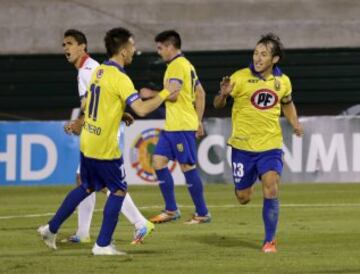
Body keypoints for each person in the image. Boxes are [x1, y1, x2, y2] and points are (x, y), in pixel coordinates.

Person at [38, 27, 179, 255]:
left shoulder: (99, 71)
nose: (134, 50)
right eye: (132, 46)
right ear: (123, 51)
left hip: (88, 141)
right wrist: (165, 93)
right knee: (118, 190)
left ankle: (51, 229)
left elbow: (93, 103)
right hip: (104, 146)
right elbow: (142, 109)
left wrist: (118, 113)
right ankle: (103, 244)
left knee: (87, 186)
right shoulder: (121, 78)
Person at [62, 29, 155, 245]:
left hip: (103, 133)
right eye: (64, 45)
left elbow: (106, 95)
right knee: (87, 181)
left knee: (102, 183)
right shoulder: (85, 70)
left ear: (82, 46)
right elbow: (102, 100)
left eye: (69, 43)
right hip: (99, 129)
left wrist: (81, 122)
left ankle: (139, 223)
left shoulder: (92, 69)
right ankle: (84, 232)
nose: (66, 48)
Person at [213, 33, 304, 253]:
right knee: (243, 197)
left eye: (263, 54)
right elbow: (217, 105)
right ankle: (248, 183)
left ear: (275, 59)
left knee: (271, 186)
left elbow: (287, 103)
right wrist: (223, 95)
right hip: (243, 148)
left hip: (270, 145)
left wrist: (295, 123)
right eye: (255, 53)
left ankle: (269, 241)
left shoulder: (283, 82)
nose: (257, 58)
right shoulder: (240, 77)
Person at [148, 30, 211, 224]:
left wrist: (151, 94)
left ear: (170, 46)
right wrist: (198, 120)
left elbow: (173, 94)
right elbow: (200, 92)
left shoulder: (176, 65)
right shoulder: (187, 65)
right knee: (158, 161)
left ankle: (202, 213)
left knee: (186, 166)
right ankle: (171, 210)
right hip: (173, 125)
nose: (159, 52)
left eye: (160, 48)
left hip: (181, 126)